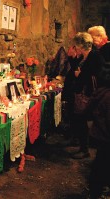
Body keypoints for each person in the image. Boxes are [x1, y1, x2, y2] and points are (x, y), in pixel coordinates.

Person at [68, 32, 104, 159]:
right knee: (80, 120)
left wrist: (79, 75)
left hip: (87, 94)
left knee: (82, 120)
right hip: (82, 92)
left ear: (80, 45)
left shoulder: (94, 56)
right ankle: (82, 147)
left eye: (76, 45)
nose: (75, 48)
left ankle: (85, 150)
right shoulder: (86, 56)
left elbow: (92, 75)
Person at [86, 63, 110, 199]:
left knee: (100, 164)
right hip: (106, 136)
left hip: (100, 135)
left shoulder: (101, 92)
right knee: (102, 165)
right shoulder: (107, 97)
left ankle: (95, 190)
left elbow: (89, 111)